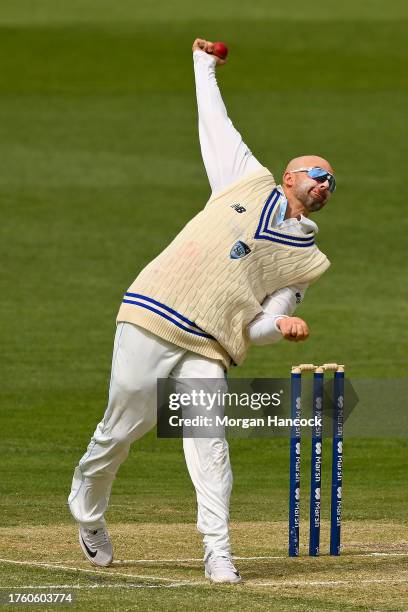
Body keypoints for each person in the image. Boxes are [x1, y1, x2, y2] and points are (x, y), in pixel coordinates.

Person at [68, 38, 336, 584]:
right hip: (152, 312)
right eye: (317, 174)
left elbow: (257, 326)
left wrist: (278, 326)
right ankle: (87, 512)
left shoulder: (306, 260)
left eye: (332, 181)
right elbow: (214, 120)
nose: (325, 184)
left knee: (210, 443)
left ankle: (218, 551)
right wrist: (203, 65)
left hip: (210, 344)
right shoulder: (245, 177)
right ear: (289, 176)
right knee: (122, 428)